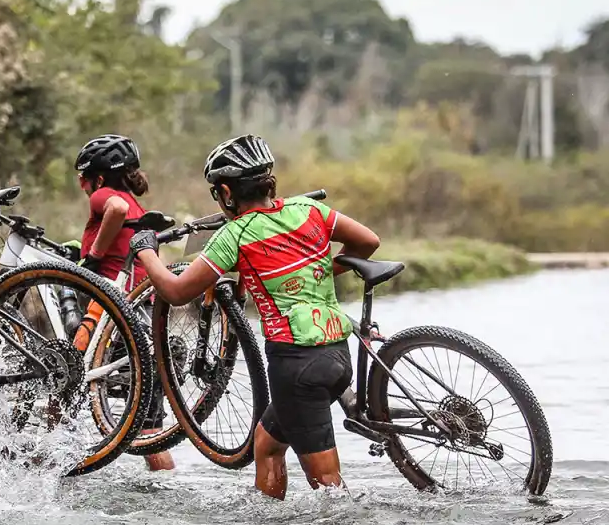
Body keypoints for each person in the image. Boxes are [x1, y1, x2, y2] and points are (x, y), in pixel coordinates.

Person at [129, 134, 381, 500]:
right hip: (336, 354)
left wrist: (147, 253)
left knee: (330, 491)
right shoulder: (309, 210)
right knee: (267, 443)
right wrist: (312, 271)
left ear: (227, 194)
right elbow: (368, 242)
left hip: (296, 366)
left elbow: (177, 291)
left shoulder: (234, 235)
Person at [73, 133, 174, 473]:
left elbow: (112, 211)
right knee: (150, 435)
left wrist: (94, 255)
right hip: (142, 317)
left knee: (67, 374)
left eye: (83, 176)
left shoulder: (107, 195)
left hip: (110, 312)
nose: (82, 184)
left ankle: (50, 467)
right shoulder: (138, 207)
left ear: (98, 177)